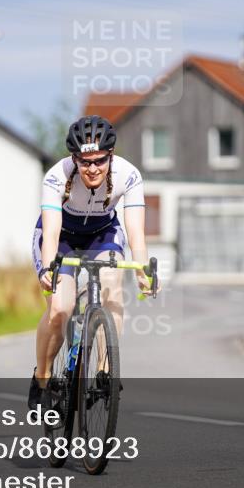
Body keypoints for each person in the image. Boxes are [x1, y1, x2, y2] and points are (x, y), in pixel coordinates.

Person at [27, 115, 154, 410]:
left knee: (112, 285)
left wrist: (143, 270)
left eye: (99, 160)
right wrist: (48, 268)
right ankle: (42, 378)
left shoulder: (128, 175)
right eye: (85, 162)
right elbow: (52, 230)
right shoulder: (57, 176)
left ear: (111, 155)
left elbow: (135, 230)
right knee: (60, 308)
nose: (93, 169)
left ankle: (104, 370)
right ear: (74, 159)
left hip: (102, 233)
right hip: (61, 238)